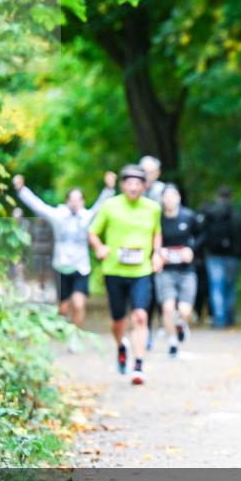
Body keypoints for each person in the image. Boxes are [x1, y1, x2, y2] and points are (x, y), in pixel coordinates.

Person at [88, 165, 163, 385]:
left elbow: (157, 233)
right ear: (122, 185)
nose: (133, 187)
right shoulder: (110, 206)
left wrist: (157, 254)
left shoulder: (152, 208)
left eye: (137, 183)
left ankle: (138, 366)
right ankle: (122, 345)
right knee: (117, 321)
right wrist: (100, 248)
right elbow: (92, 232)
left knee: (140, 316)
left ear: (144, 186)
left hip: (141, 270)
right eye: (129, 183)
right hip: (114, 270)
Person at [12, 172, 116, 332]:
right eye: (72, 200)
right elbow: (38, 206)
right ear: (67, 201)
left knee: (79, 303)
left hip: (81, 267)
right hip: (61, 267)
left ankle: (76, 335)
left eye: (78, 200)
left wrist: (109, 188)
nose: (75, 203)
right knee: (63, 308)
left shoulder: (86, 217)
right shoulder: (57, 216)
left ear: (82, 202)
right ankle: (65, 331)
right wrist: (21, 189)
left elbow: (100, 206)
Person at [157, 184, 201, 358]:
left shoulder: (189, 217)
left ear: (178, 198)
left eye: (172, 196)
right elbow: (151, 237)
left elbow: (202, 236)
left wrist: (190, 250)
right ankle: (173, 342)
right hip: (165, 270)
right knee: (168, 307)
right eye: (166, 196)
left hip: (186, 270)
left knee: (184, 310)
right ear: (161, 199)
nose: (169, 200)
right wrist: (159, 252)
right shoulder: (157, 219)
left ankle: (181, 323)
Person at [199, 187, 241, 328]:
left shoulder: (210, 213)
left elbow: (203, 234)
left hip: (213, 255)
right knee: (229, 287)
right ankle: (229, 318)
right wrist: (240, 254)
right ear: (231, 197)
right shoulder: (236, 215)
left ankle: (219, 319)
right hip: (233, 257)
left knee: (216, 287)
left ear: (217, 196)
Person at [140, 155, 167, 348]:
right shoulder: (133, 190)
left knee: (162, 291)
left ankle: (165, 326)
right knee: (145, 291)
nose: (146, 176)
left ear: (157, 174)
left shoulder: (164, 192)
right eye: (144, 171)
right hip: (140, 247)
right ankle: (145, 329)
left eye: (150, 172)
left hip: (161, 246)